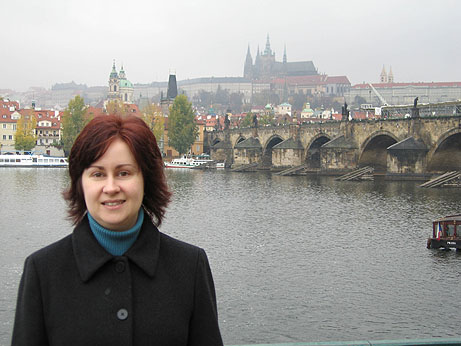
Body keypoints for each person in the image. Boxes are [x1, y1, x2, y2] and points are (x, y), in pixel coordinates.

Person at [12, 115, 223, 345]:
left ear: (146, 180)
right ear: (80, 184)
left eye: (124, 173)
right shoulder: (42, 272)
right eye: (98, 174)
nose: (111, 188)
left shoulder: (190, 267)